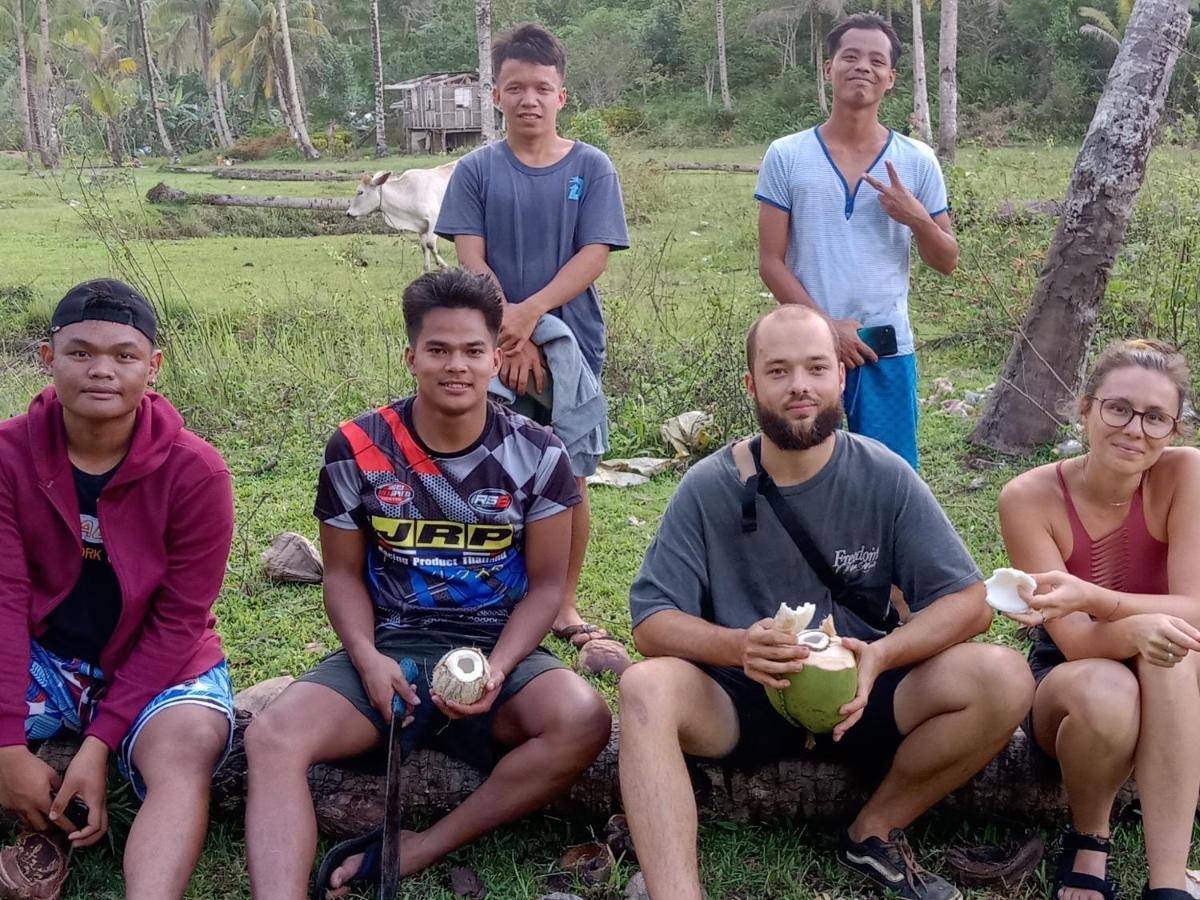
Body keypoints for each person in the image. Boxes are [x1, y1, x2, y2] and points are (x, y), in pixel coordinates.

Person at [617, 305, 1033, 900]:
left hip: (863, 693)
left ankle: (874, 830)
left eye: (816, 367)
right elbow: (653, 622)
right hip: (744, 694)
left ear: (841, 375)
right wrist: (739, 646)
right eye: (779, 371)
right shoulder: (710, 486)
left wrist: (882, 656)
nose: (800, 387)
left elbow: (969, 602)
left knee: (1005, 675)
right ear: (752, 384)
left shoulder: (883, 474)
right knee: (644, 687)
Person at [243, 268, 612, 900]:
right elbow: (341, 574)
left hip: (497, 644)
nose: (456, 366)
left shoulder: (539, 451)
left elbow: (548, 588)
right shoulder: (357, 447)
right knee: (271, 736)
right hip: (392, 643)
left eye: (473, 351)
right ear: (411, 355)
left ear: (498, 357)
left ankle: (419, 846)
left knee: (583, 716)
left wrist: (496, 668)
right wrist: (365, 657)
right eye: (438, 350)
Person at [0, 279, 236, 900]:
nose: (102, 370)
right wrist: (7, 745)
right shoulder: (6, 454)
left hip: (162, 663)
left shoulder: (198, 471)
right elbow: (5, 597)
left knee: (183, 755)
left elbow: (181, 617)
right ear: (48, 359)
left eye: (124, 356)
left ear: (152, 367)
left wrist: (99, 743)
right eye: (80, 352)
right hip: (46, 654)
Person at [437, 23, 630, 651]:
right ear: (496, 95)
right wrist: (507, 338)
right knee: (486, 471)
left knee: (567, 474)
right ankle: (490, 595)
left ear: (561, 95)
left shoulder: (591, 167)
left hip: (571, 345)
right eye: (515, 87)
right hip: (486, 347)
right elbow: (471, 259)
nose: (529, 99)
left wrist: (532, 321)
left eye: (541, 88)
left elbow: (594, 253)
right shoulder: (475, 170)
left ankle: (564, 605)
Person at [997, 339, 1200, 900]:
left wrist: (1103, 599)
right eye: (1118, 408)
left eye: (1155, 417)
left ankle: (1167, 888)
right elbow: (1077, 638)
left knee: (1169, 646)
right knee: (1114, 685)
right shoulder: (1028, 498)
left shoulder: (1187, 475)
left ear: (1174, 430)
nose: (1134, 429)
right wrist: (1127, 625)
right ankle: (1091, 835)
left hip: (1175, 669)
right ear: (1084, 408)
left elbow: (1196, 610)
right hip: (1072, 677)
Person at [755, 13, 958, 469]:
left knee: (891, 473)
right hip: (806, 353)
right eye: (849, 56)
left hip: (886, 348)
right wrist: (827, 329)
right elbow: (771, 261)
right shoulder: (787, 155)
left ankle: (879, 546)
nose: (861, 66)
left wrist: (918, 219)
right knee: (800, 467)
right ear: (828, 69)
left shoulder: (918, 160)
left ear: (890, 78)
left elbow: (947, 259)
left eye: (875, 59)